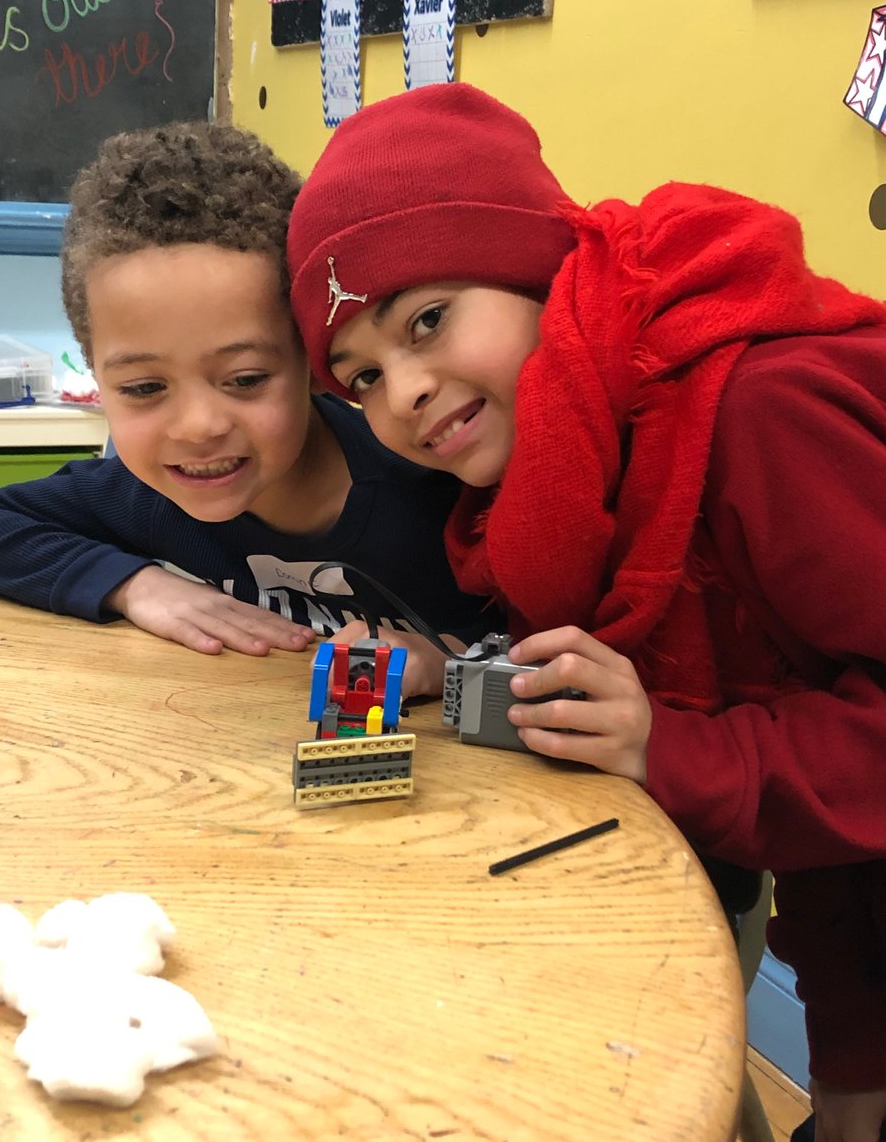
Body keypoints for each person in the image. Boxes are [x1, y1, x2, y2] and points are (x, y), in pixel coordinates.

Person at [284, 83, 886, 1142]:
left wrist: (672, 749)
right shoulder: (554, 485)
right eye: (361, 377)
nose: (405, 395)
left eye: (427, 321)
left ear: (535, 269)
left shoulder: (761, 411)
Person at [0, 121, 502, 686]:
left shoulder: (448, 490)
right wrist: (133, 584)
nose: (198, 427)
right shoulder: (141, 498)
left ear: (313, 361)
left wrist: (448, 670)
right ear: (96, 376)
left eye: (246, 378)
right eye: (143, 389)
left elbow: (568, 666)